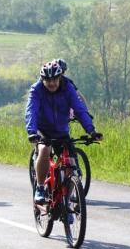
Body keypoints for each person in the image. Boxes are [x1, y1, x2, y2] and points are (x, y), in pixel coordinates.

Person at [25, 60, 102, 204]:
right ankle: (40, 188)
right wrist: (32, 132)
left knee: (71, 164)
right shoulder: (36, 90)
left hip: (61, 130)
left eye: (54, 79)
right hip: (43, 130)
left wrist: (91, 130)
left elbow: (79, 108)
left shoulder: (68, 88)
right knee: (44, 150)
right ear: (42, 80)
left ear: (60, 77)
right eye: (48, 80)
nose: (52, 83)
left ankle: (67, 199)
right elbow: (31, 111)